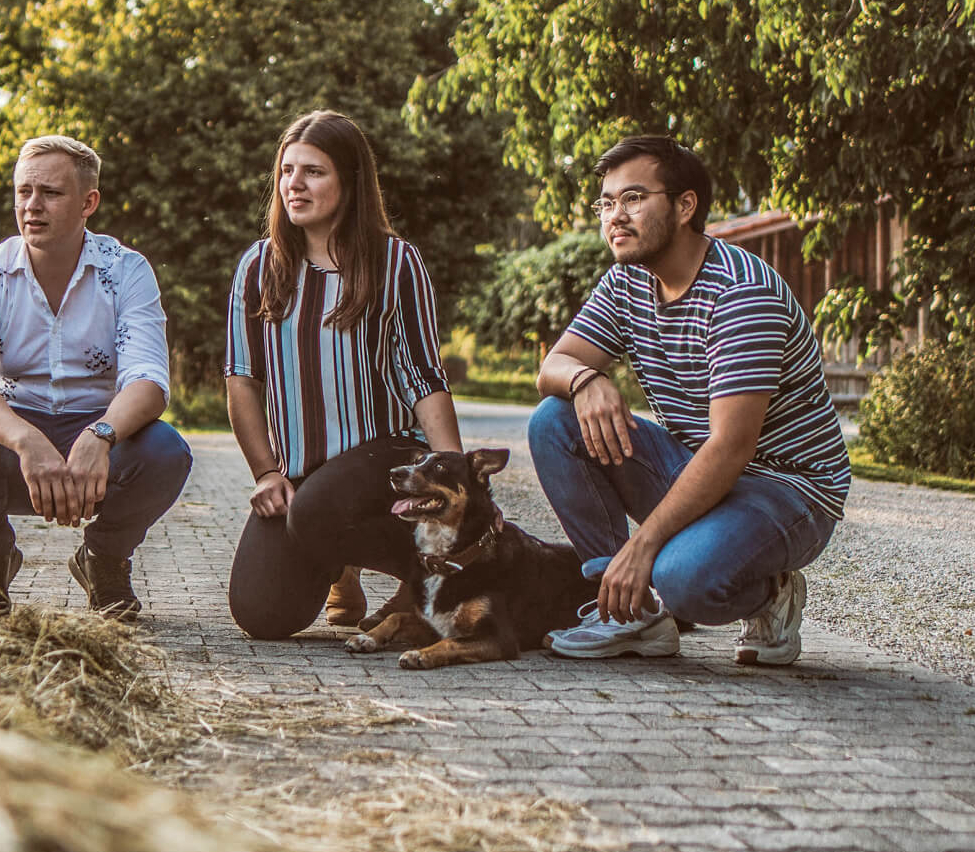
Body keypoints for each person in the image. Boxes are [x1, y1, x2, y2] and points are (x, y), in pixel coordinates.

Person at [528, 135, 850, 665]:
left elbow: (731, 447)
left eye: (633, 199)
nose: (615, 216)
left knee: (680, 579)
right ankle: (626, 615)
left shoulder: (742, 293)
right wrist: (587, 380)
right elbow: (553, 368)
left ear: (684, 206)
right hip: (696, 466)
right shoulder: (626, 281)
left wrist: (642, 549)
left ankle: (772, 595)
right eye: (606, 203)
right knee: (555, 420)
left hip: (789, 489)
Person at [0, 134, 192, 618]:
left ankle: (104, 559)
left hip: (98, 433)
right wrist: (25, 440)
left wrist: (102, 435)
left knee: (167, 452)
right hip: (12, 435)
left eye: (50, 193)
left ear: (89, 202)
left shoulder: (127, 271)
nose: (32, 206)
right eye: (23, 192)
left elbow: (149, 380)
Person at [224, 110, 463, 639]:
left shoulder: (396, 262)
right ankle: (342, 569)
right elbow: (242, 379)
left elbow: (424, 375)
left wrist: (453, 476)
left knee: (320, 508)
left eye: (314, 171)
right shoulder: (259, 266)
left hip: (388, 456)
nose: (294, 184)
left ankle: (419, 577)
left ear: (350, 182)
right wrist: (267, 473)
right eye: (287, 170)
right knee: (262, 614)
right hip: (302, 475)